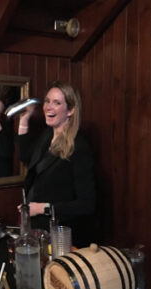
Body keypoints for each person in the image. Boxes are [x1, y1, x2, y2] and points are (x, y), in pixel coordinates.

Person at [17, 81, 97, 247]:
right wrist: (24, 120)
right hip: (38, 229)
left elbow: (87, 204)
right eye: (47, 101)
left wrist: (41, 208)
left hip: (61, 236)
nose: (48, 107)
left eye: (57, 103)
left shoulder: (79, 146)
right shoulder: (46, 136)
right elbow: (25, 156)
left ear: (71, 110)